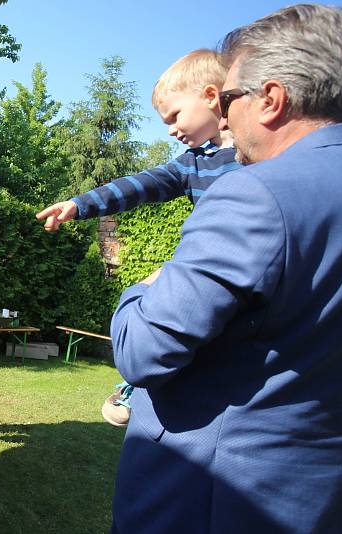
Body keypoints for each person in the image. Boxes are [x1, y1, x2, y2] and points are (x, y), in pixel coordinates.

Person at [109, 4, 342, 532]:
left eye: (231, 97)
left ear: (271, 100)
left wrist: (139, 289)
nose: (226, 118)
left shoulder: (256, 195)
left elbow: (144, 352)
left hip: (213, 498)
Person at [36, 49, 240, 427]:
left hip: (237, 263)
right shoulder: (194, 160)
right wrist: (79, 205)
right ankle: (137, 382)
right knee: (161, 300)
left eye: (175, 116)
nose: (171, 131)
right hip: (201, 262)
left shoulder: (253, 153)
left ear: (211, 97)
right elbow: (142, 185)